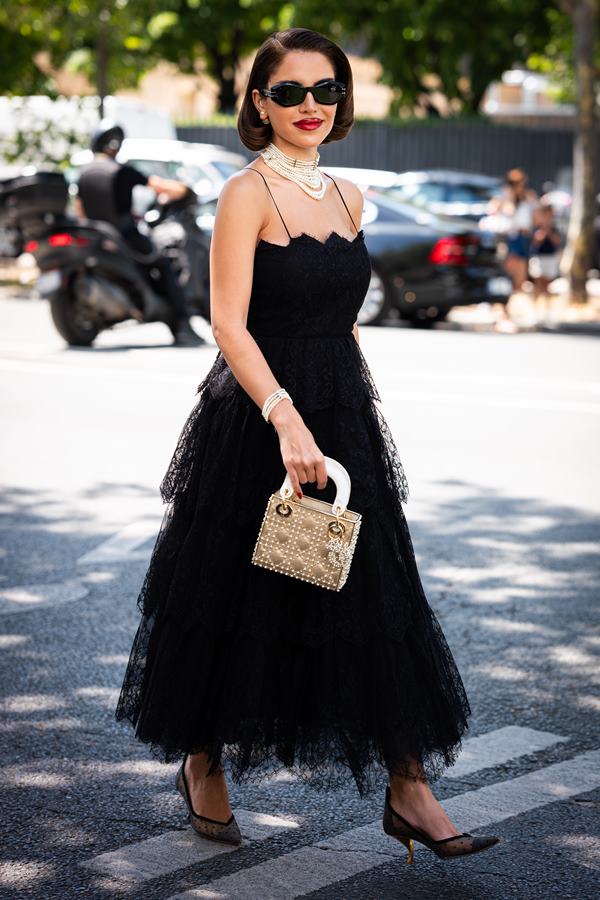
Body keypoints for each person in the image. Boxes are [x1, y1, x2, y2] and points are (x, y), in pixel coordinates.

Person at [115, 28, 500, 862]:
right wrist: (288, 417)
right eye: (289, 93)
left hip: (341, 415)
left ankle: (410, 788)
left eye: (325, 90)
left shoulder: (352, 196)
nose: (310, 107)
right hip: (259, 415)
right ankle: (203, 762)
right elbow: (227, 323)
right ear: (258, 102)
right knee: (230, 598)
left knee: (375, 599)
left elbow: (342, 322)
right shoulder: (245, 193)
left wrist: (353, 410)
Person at [77, 120, 205, 347]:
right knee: (164, 265)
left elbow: (80, 210)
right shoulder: (122, 171)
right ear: (115, 144)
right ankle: (183, 325)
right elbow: (159, 186)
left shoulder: (84, 173)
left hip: (95, 236)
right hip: (124, 236)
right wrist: (185, 190)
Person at [487, 168, 538, 333]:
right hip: (510, 239)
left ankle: (505, 311)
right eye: (516, 183)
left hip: (524, 239)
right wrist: (509, 196)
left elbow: (535, 218)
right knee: (508, 277)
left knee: (520, 281)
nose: (521, 186)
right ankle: (503, 315)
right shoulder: (504, 198)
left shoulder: (528, 197)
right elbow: (505, 212)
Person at [528, 201, 562, 324]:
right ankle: (535, 313)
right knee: (538, 285)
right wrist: (543, 232)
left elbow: (556, 241)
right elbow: (535, 242)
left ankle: (548, 313)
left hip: (550, 257)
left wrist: (549, 232)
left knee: (547, 286)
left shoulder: (554, 227)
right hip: (539, 257)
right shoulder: (537, 227)